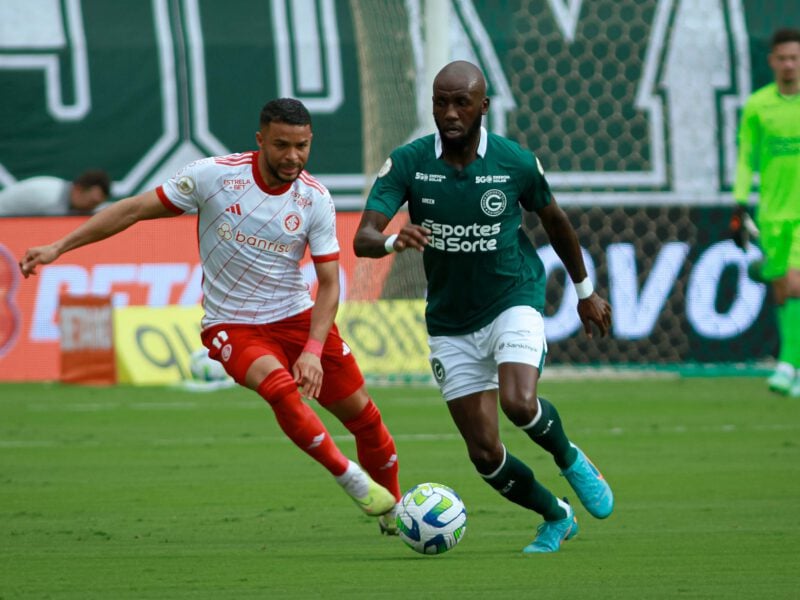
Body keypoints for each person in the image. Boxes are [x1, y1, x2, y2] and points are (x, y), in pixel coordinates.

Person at [19, 98, 402, 534]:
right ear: (260, 141)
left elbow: (330, 284)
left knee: (366, 420)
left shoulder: (314, 199)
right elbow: (131, 210)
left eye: (302, 146)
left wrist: (313, 349)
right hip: (232, 324)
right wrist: (57, 248)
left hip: (296, 319)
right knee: (278, 387)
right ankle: (348, 476)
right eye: (282, 145)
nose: (293, 156)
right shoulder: (215, 177)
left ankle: (395, 511)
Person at [353, 60, 614, 553]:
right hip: (450, 322)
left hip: (511, 298)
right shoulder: (409, 163)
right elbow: (364, 237)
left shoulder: (514, 162)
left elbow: (555, 222)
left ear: (483, 107)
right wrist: (393, 241)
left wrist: (585, 292)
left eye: (461, 102)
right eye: (440, 102)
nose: (449, 113)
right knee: (485, 454)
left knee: (519, 402)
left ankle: (570, 458)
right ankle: (555, 515)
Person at [731, 28, 800, 398]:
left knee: (795, 282)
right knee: (781, 291)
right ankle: (797, 364)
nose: (789, 64)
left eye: (795, 57)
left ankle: (787, 363)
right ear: (772, 60)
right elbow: (746, 156)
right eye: (783, 58)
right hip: (772, 211)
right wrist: (740, 202)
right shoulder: (759, 106)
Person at [0, 169, 111, 216]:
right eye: (92, 202)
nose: (92, 208)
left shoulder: (60, 193)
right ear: (78, 189)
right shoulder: (50, 199)